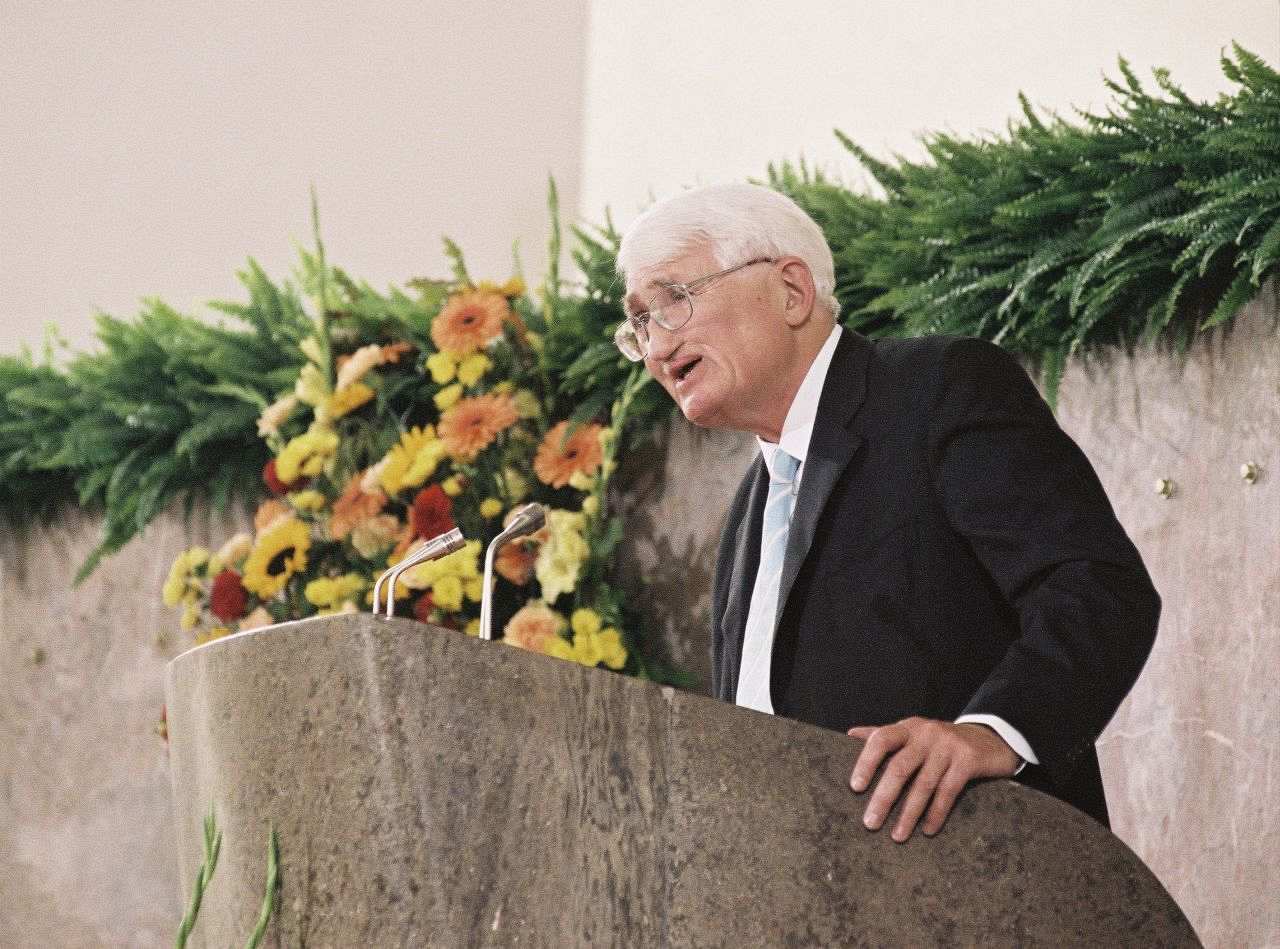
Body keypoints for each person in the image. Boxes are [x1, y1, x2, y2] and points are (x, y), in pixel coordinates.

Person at [613, 182, 1159, 841]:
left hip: (988, 881)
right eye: (639, 324)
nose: (656, 348)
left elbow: (1096, 586)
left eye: (674, 302)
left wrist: (990, 730)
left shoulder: (938, 390)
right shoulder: (746, 515)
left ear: (791, 290)